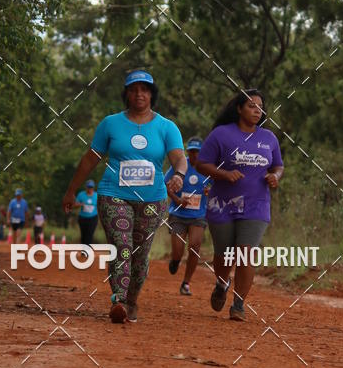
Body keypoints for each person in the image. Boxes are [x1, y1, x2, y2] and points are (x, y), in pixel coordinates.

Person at [62, 68, 187, 324]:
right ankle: (118, 300)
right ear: (126, 95)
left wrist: (179, 175)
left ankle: (132, 301)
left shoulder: (166, 127)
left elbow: (178, 158)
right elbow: (90, 159)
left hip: (152, 199)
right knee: (122, 247)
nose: (139, 94)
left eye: (144, 89)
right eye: (133, 90)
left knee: (140, 255)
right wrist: (71, 189)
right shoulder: (110, 124)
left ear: (152, 94)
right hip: (113, 194)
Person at [196, 89, 284, 322]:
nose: (257, 110)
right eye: (251, 105)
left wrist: (275, 176)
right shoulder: (221, 135)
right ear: (239, 108)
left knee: (246, 253)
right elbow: (202, 164)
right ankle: (221, 283)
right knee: (224, 255)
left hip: (256, 204)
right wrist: (224, 174)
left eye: (260, 106)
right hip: (221, 203)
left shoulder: (269, 138)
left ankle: (238, 304)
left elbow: (278, 166)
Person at [164, 137, 211, 296]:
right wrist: (177, 199)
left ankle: (186, 283)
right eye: (192, 151)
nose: (195, 154)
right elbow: (166, 185)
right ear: (188, 151)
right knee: (178, 251)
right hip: (178, 213)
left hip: (198, 215)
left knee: (195, 248)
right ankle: (175, 260)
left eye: (198, 151)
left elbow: (215, 187)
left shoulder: (208, 168)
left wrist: (209, 192)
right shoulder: (180, 166)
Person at [74, 180, 99, 245]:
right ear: (86, 187)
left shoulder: (97, 196)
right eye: (88, 187)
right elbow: (75, 205)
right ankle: (84, 250)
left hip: (93, 218)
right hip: (82, 218)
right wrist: (80, 204)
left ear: (93, 187)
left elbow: (100, 206)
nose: (90, 189)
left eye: (91, 187)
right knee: (83, 235)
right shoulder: (81, 194)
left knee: (90, 234)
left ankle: (88, 250)